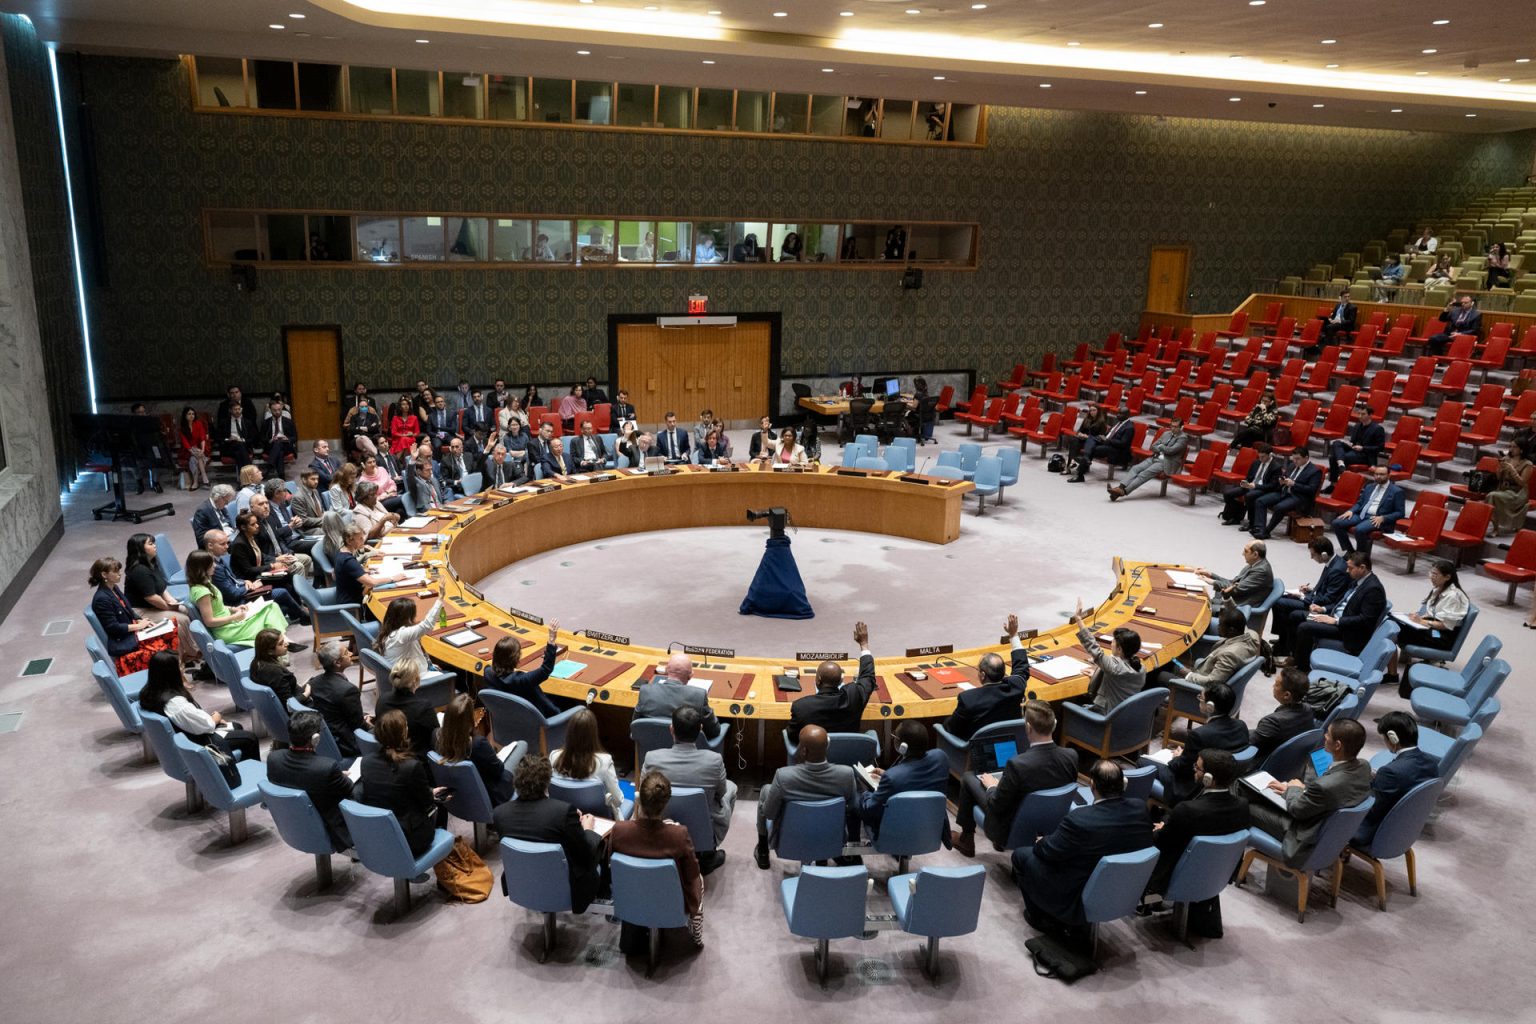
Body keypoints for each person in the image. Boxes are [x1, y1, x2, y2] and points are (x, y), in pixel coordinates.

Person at [1013, 760, 1154, 942]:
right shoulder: (1140, 808)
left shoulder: (1080, 819)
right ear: (1123, 783)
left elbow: (1049, 852)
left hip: (1080, 888)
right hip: (1124, 886)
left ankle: (1041, 919)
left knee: (1022, 855)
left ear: (1092, 785)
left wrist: (1042, 841)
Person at [953, 699, 1077, 857]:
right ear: (1054, 724)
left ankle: (966, 840)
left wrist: (992, 786)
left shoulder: (1017, 764)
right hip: (1053, 821)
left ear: (1028, 727)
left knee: (969, 777)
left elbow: (997, 805)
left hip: (1010, 825)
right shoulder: (1071, 756)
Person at [1246, 719, 1372, 866]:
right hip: (1327, 835)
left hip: (1302, 838)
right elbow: (1331, 796)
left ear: (1338, 745)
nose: (1325, 736)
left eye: (1328, 734)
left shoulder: (1324, 786)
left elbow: (1297, 810)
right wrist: (1295, 790)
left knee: (1244, 805)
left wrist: (1295, 789)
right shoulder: (1364, 766)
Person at [606, 771, 706, 948]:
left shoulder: (619, 831)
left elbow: (611, 867)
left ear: (639, 799)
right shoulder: (679, 834)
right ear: (666, 802)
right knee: (700, 880)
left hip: (631, 898)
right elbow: (692, 874)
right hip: (671, 903)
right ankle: (695, 937)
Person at [492, 755, 603, 912]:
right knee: (599, 846)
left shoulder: (499, 814)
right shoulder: (563, 813)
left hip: (521, 884)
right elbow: (585, 855)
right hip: (567, 889)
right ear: (546, 782)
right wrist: (588, 828)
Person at [1143, 749, 1250, 906]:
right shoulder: (1242, 805)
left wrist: (1160, 830)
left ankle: (1146, 899)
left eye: (1198, 768)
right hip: (1215, 874)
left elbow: (1161, 842)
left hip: (1176, 875)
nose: (1194, 770)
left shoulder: (1188, 810)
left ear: (1208, 779)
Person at [641, 705, 735, 868]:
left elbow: (645, 795)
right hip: (703, 828)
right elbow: (721, 794)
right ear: (700, 730)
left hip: (661, 824)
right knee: (731, 788)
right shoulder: (714, 760)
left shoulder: (652, 758)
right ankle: (707, 851)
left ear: (671, 729)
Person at [754, 724, 858, 869]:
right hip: (830, 837)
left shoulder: (784, 776)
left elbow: (770, 813)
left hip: (790, 838)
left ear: (803, 750)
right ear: (827, 746)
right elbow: (852, 808)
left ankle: (763, 851)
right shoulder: (846, 774)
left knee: (766, 790)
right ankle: (821, 856)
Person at [941, 613, 1029, 769]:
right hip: (1011, 752)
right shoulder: (1016, 687)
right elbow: (1021, 668)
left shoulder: (968, 699)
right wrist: (1014, 635)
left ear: (982, 675)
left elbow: (950, 729)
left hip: (979, 758)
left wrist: (940, 726)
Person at [137, 651, 261, 762]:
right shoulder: (176, 704)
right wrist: (215, 719)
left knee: (236, 726)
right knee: (250, 739)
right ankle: (238, 777)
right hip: (198, 744)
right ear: (170, 673)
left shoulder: (149, 693)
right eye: (180, 666)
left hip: (188, 736)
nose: (183, 669)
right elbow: (205, 726)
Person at [359, 709, 446, 856]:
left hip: (380, 832)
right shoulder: (411, 766)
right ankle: (444, 867)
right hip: (411, 838)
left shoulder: (366, 762)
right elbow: (426, 804)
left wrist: (428, 793)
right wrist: (431, 794)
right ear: (403, 734)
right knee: (441, 809)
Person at [267, 709, 355, 850]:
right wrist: (338, 777)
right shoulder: (326, 767)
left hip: (291, 823)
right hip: (329, 829)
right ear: (315, 738)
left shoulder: (273, 759)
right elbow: (350, 790)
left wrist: (335, 777)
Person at [1152, 681, 1250, 805]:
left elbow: (1184, 768)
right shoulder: (1241, 725)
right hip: (1222, 782)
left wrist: (1177, 758)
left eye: (1200, 697)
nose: (1199, 699)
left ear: (1210, 706)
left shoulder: (1199, 734)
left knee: (1143, 762)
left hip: (1193, 786)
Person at [1290, 551, 1387, 673]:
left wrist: (1336, 621)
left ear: (1362, 568)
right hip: (1335, 618)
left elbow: (1365, 620)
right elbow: (1341, 602)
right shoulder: (1358, 580)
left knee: (1305, 627)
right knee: (1296, 615)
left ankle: (1301, 669)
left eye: (1350, 568)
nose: (1347, 571)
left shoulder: (1374, 589)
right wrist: (1323, 609)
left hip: (1346, 630)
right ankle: (1295, 655)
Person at [1353, 713, 1438, 846]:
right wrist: (1379, 779)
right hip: (1404, 830)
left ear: (1393, 738)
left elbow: (1370, 810)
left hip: (1372, 831)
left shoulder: (1390, 772)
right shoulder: (1431, 762)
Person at [857, 721, 948, 839]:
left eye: (895, 736)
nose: (893, 738)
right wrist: (887, 774)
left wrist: (864, 793)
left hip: (896, 830)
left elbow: (869, 809)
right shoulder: (941, 757)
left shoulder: (892, 777)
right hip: (930, 827)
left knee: (857, 793)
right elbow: (917, 778)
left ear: (903, 746)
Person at [1384, 559, 1469, 686]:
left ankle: (1392, 675)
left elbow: (1446, 625)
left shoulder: (1453, 596)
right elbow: (1433, 613)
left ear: (1447, 577)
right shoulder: (1439, 589)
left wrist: (1422, 621)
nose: (1431, 577)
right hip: (1431, 629)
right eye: (1431, 573)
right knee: (1391, 621)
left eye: (1435, 575)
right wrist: (1418, 617)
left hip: (1441, 637)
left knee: (1392, 632)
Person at [788, 621, 877, 742]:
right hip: (848, 756)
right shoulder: (854, 697)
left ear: (818, 680)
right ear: (841, 680)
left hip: (812, 758)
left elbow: (792, 737)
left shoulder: (801, 706)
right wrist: (864, 644)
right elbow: (868, 677)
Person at [185, 548, 290, 646]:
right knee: (270, 614)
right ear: (202, 568)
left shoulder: (206, 584)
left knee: (272, 607)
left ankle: (281, 643)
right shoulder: (202, 591)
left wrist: (234, 609)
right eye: (211, 565)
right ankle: (282, 643)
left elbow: (217, 607)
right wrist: (234, 617)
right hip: (227, 630)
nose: (214, 566)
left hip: (230, 622)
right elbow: (210, 621)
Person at [90, 556, 175, 675]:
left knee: (170, 629)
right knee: (164, 644)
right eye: (116, 571)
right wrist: (139, 626)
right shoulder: (101, 599)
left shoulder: (114, 588)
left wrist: (141, 620)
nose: (120, 573)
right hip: (124, 641)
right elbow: (113, 628)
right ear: (104, 575)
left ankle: (176, 673)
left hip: (132, 633)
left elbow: (128, 609)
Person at [1271, 537, 1351, 656]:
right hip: (1316, 598)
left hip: (1321, 606)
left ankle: (1285, 645)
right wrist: (1311, 590)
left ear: (1323, 555)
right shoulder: (1333, 562)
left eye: (1313, 554)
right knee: (1282, 598)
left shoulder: (1337, 570)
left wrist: (1303, 597)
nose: (1311, 557)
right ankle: (1284, 640)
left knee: (1279, 603)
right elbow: (1327, 588)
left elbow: (1329, 599)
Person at [122, 534, 196, 661]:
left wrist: (173, 602)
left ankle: (191, 649)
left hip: (154, 606)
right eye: (150, 544)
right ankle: (194, 652)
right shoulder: (139, 570)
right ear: (140, 549)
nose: (155, 546)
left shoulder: (152, 563)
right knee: (181, 619)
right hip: (140, 611)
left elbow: (161, 588)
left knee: (188, 609)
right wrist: (169, 607)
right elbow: (151, 597)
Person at [435, 693, 514, 806]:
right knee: (520, 745)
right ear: (470, 718)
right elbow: (498, 769)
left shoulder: (438, 737)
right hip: (491, 792)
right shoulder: (478, 744)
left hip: (466, 793)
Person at [1168, 604, 1268, 689]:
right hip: (1207, 669)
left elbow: (1212, 682)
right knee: (1171, 663)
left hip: (1200, 687)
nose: (1217, 627)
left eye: (1220, 625)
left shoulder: (1229, 654)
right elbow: (1240, 620)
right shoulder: (1252, 635)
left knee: (1160, 673)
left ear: (1232, 630)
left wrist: (1188, 674)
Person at [1071, 599, 1143, 712]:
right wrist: (1097, 675)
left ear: (1119, 649)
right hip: (1126, 715)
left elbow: (1094, 648)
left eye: (1113, 642)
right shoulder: (1141, 667)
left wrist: (1079, 620)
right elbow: (1118, 681)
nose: (1111, 644)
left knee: (1072, 703)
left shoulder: (1114, 667)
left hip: (1106, 716)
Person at [632, 651, 722, 740]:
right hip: (687, 753)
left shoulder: (645, 691)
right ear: (690, 676)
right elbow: (714, 731)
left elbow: (635, 727)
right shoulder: (699, 696)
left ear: (666, 670)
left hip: (649, 749)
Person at [306, 641, 370, 757]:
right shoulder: (348, 690)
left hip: (328, 737)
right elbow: (358, 725)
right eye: (346, 653)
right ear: (338, 663)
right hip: (348, 744)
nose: (351, 653)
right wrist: (367, 721)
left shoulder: (313, 682)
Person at [1331, 465, 1405, 556]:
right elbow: (1360, 503)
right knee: (1337, 523)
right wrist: (1351, 511)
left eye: (1382, 474)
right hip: (1362, 514)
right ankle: (1349, 551)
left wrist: (1383, 518)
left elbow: (1400, 513)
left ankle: (1360, 556)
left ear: (1389, 475)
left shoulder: (1397, 491)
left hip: (1377, 518)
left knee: (1359, 529)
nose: (1378, 476)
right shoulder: (1369, 486)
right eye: (1376, 474)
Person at [1107, 418, 1188, 500]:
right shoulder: (1166, 433)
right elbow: (1153, 446)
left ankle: (1123, 491)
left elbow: (1171, 451)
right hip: (1155, 457)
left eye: (1175, 427)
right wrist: (1162, 448)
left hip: (1166, 462)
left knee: (1144, 474)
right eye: (1171, 426)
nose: (1173, 428)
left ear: (1181, 427)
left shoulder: (1183, 438)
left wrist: (1161, 446)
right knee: (1135, 468)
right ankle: (1120, 488)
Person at [1253, 448, 1324, 539]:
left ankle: (1266, 531)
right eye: (1293, 458)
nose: (1294, 461)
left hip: (1299, 498)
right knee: (1260, 501)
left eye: (1297, 459)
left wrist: (1294, 484)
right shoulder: (1291, 465)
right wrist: (1282, 481)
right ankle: (1260, 529)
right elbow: (1285, 477)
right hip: (1284, 492)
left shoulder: (1314, 471)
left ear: (1306, 458)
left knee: (1280, 507)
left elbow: (1311, 490)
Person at [1251, 668, 1317, 765]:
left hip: (1265, 763)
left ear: (1286, 695)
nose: (1273, 686)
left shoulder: (1272, 722)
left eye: (1276, 684)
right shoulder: (1308, 709)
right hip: (1292, 761)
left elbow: (1248, 744)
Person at [374, 591, 443, 679]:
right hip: (413, 680)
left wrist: (429, 664)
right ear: (408, 617)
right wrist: (440, 599)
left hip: (405, 673)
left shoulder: (389, 631)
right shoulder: (401, 635)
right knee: (454, 676)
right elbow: (427, 625)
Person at [1197, 539, 1275, 614]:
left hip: (1239, 606)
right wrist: (1211, 575)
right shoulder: (1254, 564)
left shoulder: (1261, 571)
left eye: (1246, 551)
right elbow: (1233, 582)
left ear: (1255, 554)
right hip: (1234, 598)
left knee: (1201, 609)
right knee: (1201, 601)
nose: (1242, 553)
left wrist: (1212, 582)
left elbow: (1236, 589)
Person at [1219, 442, 1281, 527]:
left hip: (1263, 489)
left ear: (1270, 454)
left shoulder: (1276, 467)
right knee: (1228, 494)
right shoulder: (1256, 462)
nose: (1260, 458)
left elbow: (1273, 486)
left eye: (1263, 456)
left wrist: (1255, 486)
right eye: (1259, 456)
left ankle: (1252, 523)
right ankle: (1236, 517)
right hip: (1250, 486)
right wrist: (1245, 482)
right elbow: (1249, 477)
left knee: (1249, 496)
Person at [1326, 406, 1386, 487]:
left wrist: (1363, 448)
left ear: (1370, 415)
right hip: (1354, 450)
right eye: (1359, 414)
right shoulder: (1357, 426)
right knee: (1337, 442)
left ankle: (1333, 485)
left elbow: (1380, 448)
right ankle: (1341, 464)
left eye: (1363, 414)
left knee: (1333, 457)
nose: (1360, 416)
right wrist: (1349, 443)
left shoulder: (1378, 429)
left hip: (1366, 455)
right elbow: (1353, 442)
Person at [1068, 410, 1134, 481]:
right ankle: (1086, 458)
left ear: (1127, 415)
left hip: (1116, 449)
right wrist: (1103, 437)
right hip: (1107, 442)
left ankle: (1080, 474)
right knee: (1091, 437)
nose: (1117, 415)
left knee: (1093, 449)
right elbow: (1110, 434)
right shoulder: (1119, 423)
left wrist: (1108, 440)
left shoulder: (1129, 427)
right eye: (1118, 413)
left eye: (1120, 413)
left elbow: (1123, 443)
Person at [249, 627, 307, 706]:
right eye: (281, 643)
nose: (286, 644)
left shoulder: (255, 663)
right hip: (299, 709)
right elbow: (289, 704)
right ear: (270, 651)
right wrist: (306, 694)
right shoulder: (274, 672)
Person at [1488, 438, 1533, 536]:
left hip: (1518, 493)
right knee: (1492, 496)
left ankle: (1496, 529)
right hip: (1504, 489)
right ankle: (1495, 527)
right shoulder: (1506, 459)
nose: (1511, 449)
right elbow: (1498, 478)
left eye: (1514, 447)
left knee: (1492, 496)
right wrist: (1499, 469)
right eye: (1510, 446)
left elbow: (1522, 483)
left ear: (1521, 449)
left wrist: (1512, 470)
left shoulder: (1527, 464)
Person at [191, 484, 238, 549]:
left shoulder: (221, 506)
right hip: (221, 543)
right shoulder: (202, 511)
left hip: (231, 535)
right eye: (226, 501)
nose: (227, 504)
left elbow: (229, 524)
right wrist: (223, 538)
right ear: (218, 497)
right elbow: (201, 538)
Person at [258, 398, 297, 475]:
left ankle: (269, 466)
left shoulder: (288, 421)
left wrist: (287, 438)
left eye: (279, 409)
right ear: (270, 410)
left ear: (282, 408)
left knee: (279, 443)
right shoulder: (266, 423)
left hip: (286, 446)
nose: (277, 412)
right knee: (279, 450)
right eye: (274, 410)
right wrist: (270, 440)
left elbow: (295, 437)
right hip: (271, 446)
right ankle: (281, 476)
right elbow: (261, 438)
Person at [177, 406, 211, 490]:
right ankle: (204, 478)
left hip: (199, 448)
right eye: (189, 414)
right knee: (196, 456)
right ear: (185, 416)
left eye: (193, 414)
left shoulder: (198, 424)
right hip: (187, 450)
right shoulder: (182, 428)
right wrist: (193, 452)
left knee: (194, 459)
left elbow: (202, 437)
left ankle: (195, 482)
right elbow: (185, 443)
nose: (191, 415)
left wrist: (202, 450)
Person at [216, 396, 255, 468]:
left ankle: (244, 475)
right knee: (238, 446)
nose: (237, 411)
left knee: (239, 448)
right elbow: (218, 438)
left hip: (244, 446)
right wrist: (228, 439)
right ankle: (249, 471)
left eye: (239, 409)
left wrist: (242, 440)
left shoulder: (247, 422)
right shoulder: (224, 422)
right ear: (230, 410)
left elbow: (252, 438)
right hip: (229, 448)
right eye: (235, 409)